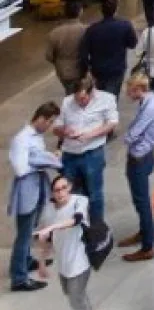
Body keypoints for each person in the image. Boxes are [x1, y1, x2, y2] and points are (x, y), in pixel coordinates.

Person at [10, 102, 62, 290]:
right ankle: (19, 277)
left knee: (31, 227)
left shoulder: (36, 137)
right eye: (49, 121)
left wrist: (47, 157)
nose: (49, 126)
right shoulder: (22, 139)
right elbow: (20, 168)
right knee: (24, 234)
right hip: (27, 188)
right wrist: (42, 160)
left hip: (38, 186)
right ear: (40, 118)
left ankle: (26, 260)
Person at [57, 75, 118, 226]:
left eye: (83, 98)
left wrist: (90, 135)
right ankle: (75, 224)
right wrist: (66, 131)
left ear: (92, 92)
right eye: (77, 99)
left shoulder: (107, 99)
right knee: (70, 192)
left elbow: (112, 123)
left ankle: (97, 227)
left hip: (92, 153)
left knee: (95, 193)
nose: (80, 102)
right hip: (70, 153)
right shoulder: (67, 102)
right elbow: (56, 127)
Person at [119, 74, 154, 262]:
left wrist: (127, 138)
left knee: (141, 200)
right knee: (140, 199)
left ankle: (147, 245)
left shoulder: (149, 107)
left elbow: (133, 134)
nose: (127, 93)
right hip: (147, 154)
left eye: (130, 89)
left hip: (140, 156)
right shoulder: (152, 100)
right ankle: (143, 231)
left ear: (138, 89)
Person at [32, 175, 93, 310]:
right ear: (53, 192)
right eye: (57, 190)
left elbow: (76, 220)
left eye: (63, 188)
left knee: (76, 299)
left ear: (69, 187)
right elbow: (47, 240)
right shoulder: (49, 210)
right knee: (76, 296)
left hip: (80, 263)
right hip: (64, 266)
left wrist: (52, 227)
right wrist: (42, 263)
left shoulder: (79, 201)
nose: (60, 193)